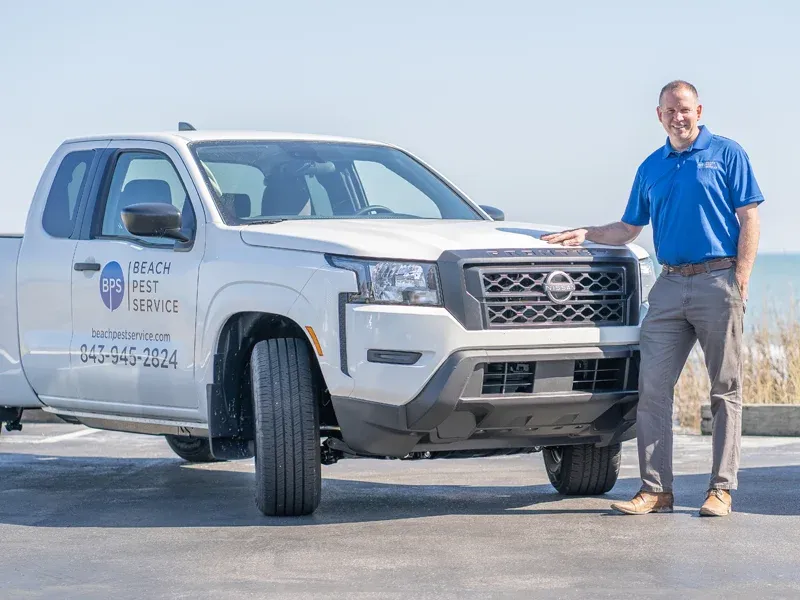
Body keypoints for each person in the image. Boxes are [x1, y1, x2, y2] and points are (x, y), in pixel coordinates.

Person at [541, 80, 763, 517]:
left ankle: (720, 490)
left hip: (718, 280)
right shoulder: (650, 167)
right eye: (669, 111)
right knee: (653, 390)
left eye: (684, 109)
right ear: (658, 115)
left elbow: (749, 216)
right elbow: (628, 229)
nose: (678, 117)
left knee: (724, 390)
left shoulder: (727, 154)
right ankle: (656, 490)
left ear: (698, 110)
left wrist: (741, 278)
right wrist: (586, 233)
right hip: (668, 286)